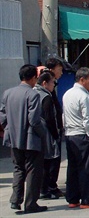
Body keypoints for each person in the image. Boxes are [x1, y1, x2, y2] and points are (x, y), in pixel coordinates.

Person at [1, 64, 48, 214]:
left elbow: (2, 115)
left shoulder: (8, 93)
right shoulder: (32, 94)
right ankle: (30, 203)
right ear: (34, 78)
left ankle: (16, 200)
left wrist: (8, 128)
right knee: (33, 171)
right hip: (30, 139)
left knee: (18, 169)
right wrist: (43, 133)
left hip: (13, 137)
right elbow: (34, 120)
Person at [63, 67, 89, 208]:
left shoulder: (67, 94)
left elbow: (64, 116)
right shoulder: (84, 96)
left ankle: (73, 198)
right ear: (82, 80)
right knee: (87, 168)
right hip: (82, 135)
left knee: (73, 168)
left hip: (70, 135)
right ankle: (88, 200)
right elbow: (88, 118)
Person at [34, 70, 62, 200]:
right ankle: (46, 189)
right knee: (50, 162)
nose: (54, 86)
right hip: (47, 134)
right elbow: (50, 118)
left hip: (37, 134)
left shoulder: (33, 92)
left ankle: (42, 188)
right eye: (52, 83)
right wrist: (56, 135)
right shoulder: (45, 97)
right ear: (45, 83)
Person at [44, 58, 65, 198]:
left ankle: (49, 186)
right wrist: (56, 132)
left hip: (53, 129)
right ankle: (50, 187)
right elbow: (48, 114)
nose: (61, 72)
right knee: (52, 160)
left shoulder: (53, 85)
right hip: (50, 131)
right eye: (60, 69)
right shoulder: (46, 89)